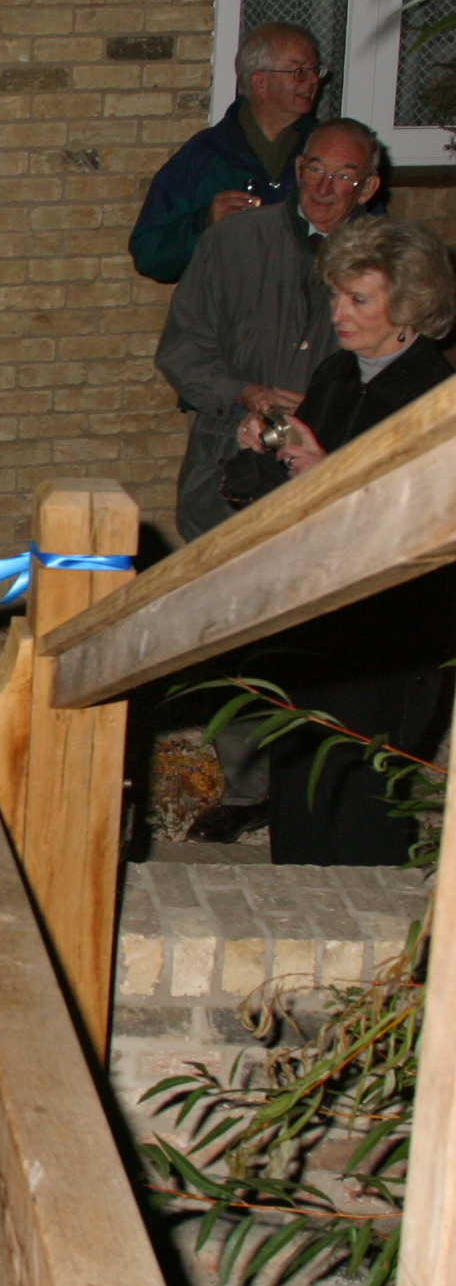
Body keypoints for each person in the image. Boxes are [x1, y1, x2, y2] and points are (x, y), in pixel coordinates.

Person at [153, 117, 382, 843]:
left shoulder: (386, 261)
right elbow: (181, 351)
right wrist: (244, 392)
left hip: (333, 479)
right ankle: (248, 784)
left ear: (369, 187)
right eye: (314, 167)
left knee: (324, 634)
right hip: (232, 473)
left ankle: (321, 784)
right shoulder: (232, 244)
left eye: (344, 177)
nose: (324, 186)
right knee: (238, 630)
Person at [221, 216, 456, 865]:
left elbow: (424, 526)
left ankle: (368, 961)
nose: (338, 312)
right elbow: (285, 501)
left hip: (390, 637)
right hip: (319, 620)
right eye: (335, 296)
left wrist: (328, 472)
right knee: (299, 796)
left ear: (407, 307)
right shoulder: (335, 375)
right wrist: (259, 454)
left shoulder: (435, 399)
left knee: (359, 808)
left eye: (359, 299)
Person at [130, 23, 324, 285]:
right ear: (260, 82)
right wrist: (204, 222)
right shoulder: (206, 155)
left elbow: (372, 241)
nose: (313, 80)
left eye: (314, 70)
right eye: (299, 71)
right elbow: (149, 254)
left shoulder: (328, 152)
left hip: (311, 319)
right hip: (226, 320)